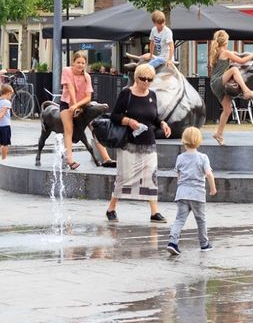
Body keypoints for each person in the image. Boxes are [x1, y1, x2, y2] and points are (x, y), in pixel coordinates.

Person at [105, 63, 172, 223]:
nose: (147, 82)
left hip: (149, 142)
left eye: (150, 79)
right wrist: (129, 121)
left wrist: (162, 123)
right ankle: (111, 207)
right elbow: (114, 116)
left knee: (151, 176)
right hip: (129, 143)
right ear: (137, 78)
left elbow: (154, 117)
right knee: (125, 176)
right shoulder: (126, 94)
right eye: (143, 79)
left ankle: (154, 212)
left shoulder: (152, 95)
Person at [166, 126, 217, 255]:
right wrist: (213, 188)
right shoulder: (203, 157)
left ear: (184, 140)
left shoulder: (180, 158)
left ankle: (173, 242)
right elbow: (209, 174)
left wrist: (181, 186)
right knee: (200, 219)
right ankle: (204, 244)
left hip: (182, 193)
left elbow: (178, 176)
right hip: (197, 194)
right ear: (199, 140)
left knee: (179, 219)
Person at [209, 30, 253, 146]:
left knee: (228, 110)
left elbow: (236, 56)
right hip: (218, 82)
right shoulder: (225, 52)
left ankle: (219, 133)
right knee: (234, 70)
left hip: (215, 85)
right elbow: (242, 60)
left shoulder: (217, 52)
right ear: (225, 41)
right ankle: (247, 91)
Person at [60, 51, 93, 170]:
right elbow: (70, 87)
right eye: (78, 62)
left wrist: (78, 106)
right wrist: (73, 106)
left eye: (83, 63)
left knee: (94, 126)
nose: (80, 65)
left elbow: (88, 97)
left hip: (81, 105)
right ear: (73, 63)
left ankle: (106, 158)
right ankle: (69, 159)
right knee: (68, 130)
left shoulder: (87, 76)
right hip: (67, 104)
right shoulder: (67, 70)